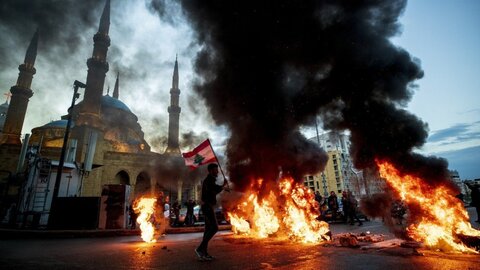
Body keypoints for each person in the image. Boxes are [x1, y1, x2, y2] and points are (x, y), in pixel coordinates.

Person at [195, 163, 229, 261]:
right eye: (215, 170)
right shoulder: (209, 180)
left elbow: (214, 189)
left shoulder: (209, 180)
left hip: (207, 206)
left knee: (207, 230)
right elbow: (213, 190)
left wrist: (223, 187)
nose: (217, 172)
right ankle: (200, 249)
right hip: (207, 206)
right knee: (214, 228)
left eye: (217, 170)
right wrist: (223, 186)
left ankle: (204, 253)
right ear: (210, 171)